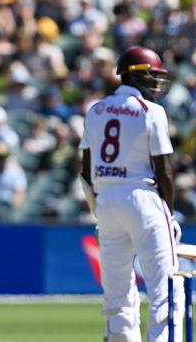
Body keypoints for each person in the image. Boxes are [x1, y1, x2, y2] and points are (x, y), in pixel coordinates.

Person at [79, 46, 184, 342]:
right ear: (137, 76)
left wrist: (98, 209)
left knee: (118, 295)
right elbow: (164, 169)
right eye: (152, 76)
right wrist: (169, 213)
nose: (156, 83)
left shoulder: (96, 110)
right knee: (165, 291)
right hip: (143, 198)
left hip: (107, 201)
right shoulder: (152, 112)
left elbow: (86, 171)